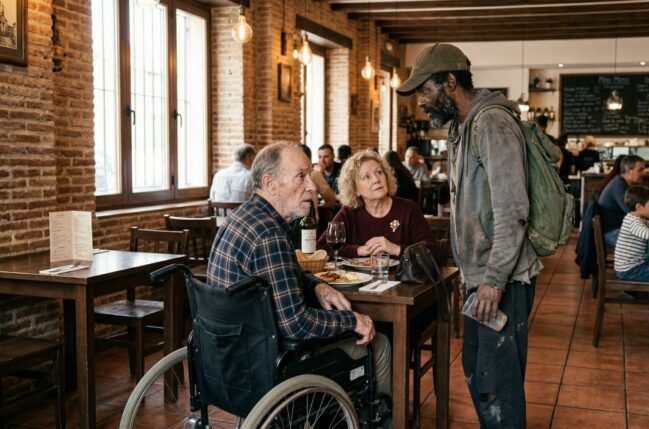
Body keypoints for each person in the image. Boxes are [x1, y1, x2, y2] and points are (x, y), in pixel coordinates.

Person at [396, 43, 541, 429]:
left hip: (502, 280)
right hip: (481, 278)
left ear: (449, 81)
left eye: (425, 91)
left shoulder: (491, 122)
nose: (422, 103)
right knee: (479, 375)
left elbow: (513, 211)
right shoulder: (462, 126)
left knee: (498, 387)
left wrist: (493, 282)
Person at [207, 143, 391, 402]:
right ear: (271, 184)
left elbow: (278, 275)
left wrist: (316, 285)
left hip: (225, 358)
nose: (313, 186)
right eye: (301, 177)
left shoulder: (240, 218)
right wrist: (354, 320)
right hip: (268, 369)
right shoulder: (269, 235)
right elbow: (296, 325)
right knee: (380, 344)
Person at [317, 151, 437, 258]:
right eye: (367, 177)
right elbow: (321, 247)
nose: (376, 179)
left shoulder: (408, 209)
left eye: (379, 172)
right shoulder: (349, 212)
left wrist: (395, 249)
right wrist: (358, 250)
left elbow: (433, 252)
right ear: (355, 189)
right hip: (359, 281)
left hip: (403, 281)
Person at [614, 185, 649, 283]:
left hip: (634, 266)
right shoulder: (633, 222)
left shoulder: (636, 218)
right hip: (629, 270)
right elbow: (646, 234)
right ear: (639, 207)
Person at [597, 155, 646, 247]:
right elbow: (632, 212)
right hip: (612, 233)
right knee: (647, 240)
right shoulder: (619, 185)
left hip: (617, 229)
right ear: (628, 171)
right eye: (640, 170)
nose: (644, 173)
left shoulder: (623, 183)